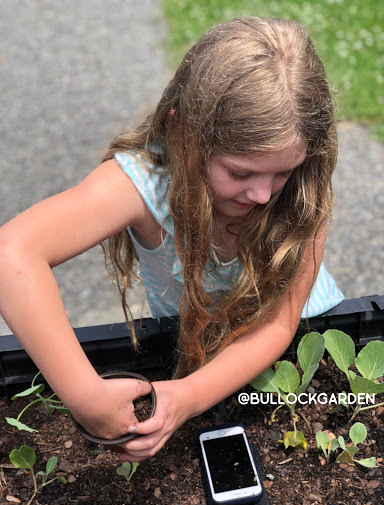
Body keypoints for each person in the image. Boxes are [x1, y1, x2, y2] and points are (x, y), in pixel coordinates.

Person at [0, 16, 344, 462]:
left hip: (307, 338)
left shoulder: (303, 186)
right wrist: (85, 396)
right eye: (239, 172)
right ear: (181, 132)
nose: (262, 194)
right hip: (193, 351)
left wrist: (189, 397)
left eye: (282, 171)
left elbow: (279, 323)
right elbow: (13, 254)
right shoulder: (145, 183)